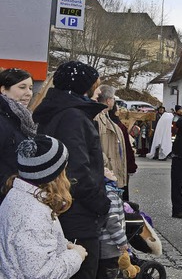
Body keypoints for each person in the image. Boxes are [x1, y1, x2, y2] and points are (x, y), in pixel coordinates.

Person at [33, 60, 110, 279]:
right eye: (94, 87)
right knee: (83, 271)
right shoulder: (72, 117)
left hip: (66, 208)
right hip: (77, 213)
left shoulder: (62, 111)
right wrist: (101, 203)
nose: (97, 93)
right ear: (82, 88)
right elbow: (75, 171)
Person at [0, 135, 87, 278]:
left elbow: (32, 246)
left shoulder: (18, 195)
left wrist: (64, 245)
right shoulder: (33, 213)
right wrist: (76, 256)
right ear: (54, 175)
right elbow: (42, 274)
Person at [0, 68, 37, 199]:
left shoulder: (24, 119)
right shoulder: (3, 120)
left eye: (31, 88)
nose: (29, 93)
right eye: (22, 87)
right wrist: (10, 185)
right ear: (3, 89)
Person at [94, 85, 128, 191]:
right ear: (108, 101)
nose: (114, 101)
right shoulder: (97, 118)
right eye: (113, 98)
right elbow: (95, 145)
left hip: (110, 171)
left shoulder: (106, 116)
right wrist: (106, 162)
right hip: (106, 173)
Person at [97, 167, 129, 279]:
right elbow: (112, 222)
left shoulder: (105, 193)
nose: (112, 171)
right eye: (107, 171)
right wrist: (122, 242)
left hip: (104, 246)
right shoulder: (111, 196)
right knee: (109, 273)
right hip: (110, 248)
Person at [108, 103, 137, 201]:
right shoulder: (119, 126)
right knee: (121, 191)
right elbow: (127, 149)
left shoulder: (106, 122)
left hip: (108, 164)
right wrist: (131, 166)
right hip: (119, 163)